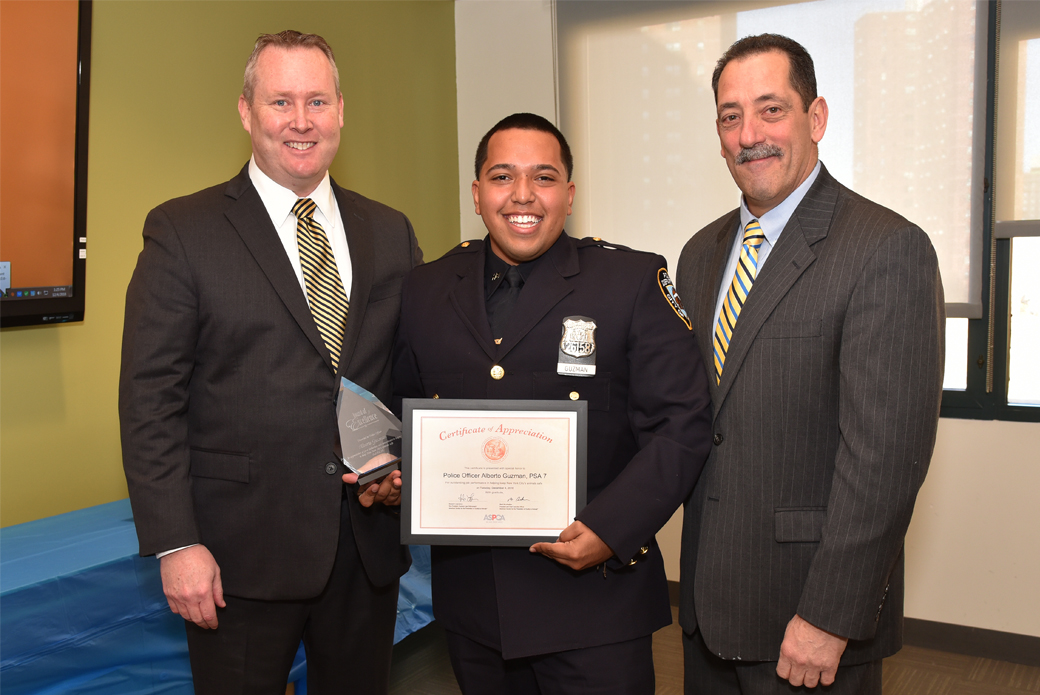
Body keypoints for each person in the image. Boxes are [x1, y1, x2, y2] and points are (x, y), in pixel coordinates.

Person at [119, 30, 421, 694]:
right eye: (280, 100)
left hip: (363, 549)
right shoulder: (183, 230)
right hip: (235, 561)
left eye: (317, 100)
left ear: (342, 109)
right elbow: (150, 399)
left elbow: (408, 371)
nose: (301, 120)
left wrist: (406, 465)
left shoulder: (390, 230)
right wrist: (177, 543)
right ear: (246, 111)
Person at [390, 112, 713, 694]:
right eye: (501, 176)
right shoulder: (427, 288)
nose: (522, 195)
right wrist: (394, 471)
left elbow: (682, 426)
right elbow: (403, 412)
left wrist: (611, 531)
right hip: (474, 609)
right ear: (477, 193)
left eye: (542, 177)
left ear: (568, 194)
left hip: (595, 604)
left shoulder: (631, 280)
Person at [675, 34, 945, 695]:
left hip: (807, 618)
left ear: (816, 118)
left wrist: (830, 613)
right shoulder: (699, 253)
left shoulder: (886, 248)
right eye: (730, 116)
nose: (749, 135)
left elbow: (884, 462)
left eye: (771, 109)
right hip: (708, 608)